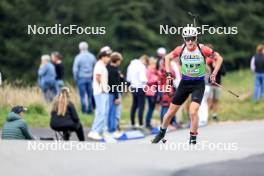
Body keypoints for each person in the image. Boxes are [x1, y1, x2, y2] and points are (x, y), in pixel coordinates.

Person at [152, 26, 223, 144]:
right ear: (184, 38)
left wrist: (214, 73)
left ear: (196, 38)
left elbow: (219, 58)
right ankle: (161, 132)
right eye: (187, 38)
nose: (190, 41)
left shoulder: (203, 49)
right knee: (170, 112)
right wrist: (168, 73)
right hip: (184, 83)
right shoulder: (180, 49)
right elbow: (167, 58)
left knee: (193, 111)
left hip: (198, 84)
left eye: (192, 38)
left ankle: (193, 139)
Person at [88, 50, 111, 140]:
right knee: (101, 113)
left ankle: (101, 131)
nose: (109, 59)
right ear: (103, 57)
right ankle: (94, 131)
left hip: (104, 91)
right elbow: (97, 77)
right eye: (108, 57)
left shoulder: (103, 65)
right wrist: (102, 88)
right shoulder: (99, 64)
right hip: (100, 92)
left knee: (104, 112)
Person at [73, 41, 96, 114]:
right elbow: (95, 67)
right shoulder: (92, 56)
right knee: (90, 95)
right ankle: (90, 110)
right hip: (90, 78)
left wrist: (76, 79)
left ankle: (84, 111)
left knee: (82, 96)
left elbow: (75, 70)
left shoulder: (78, 57)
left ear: (80, 48)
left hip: (81, 78)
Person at [126, 55, 149, 128]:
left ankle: (132, 123)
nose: (145, 64)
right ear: (144, 60)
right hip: (140, 88)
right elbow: (143, 79)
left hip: (133, 87)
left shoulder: (131, 65)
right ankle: (141, 124)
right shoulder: (142, 66)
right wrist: (146, 81)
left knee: (134, 105)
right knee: (141, 106)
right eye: (146, 63)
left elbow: (128, 78)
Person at [206, 44, 226, 120]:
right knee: (209, 100)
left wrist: (217, 68)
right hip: (209, 84)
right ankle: (206, 115)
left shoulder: (218, 61)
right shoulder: (206, 62)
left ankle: (214, 115)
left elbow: (224, 73)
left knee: (216, 100)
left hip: (217, 84)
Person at [107, 52, 123, 133]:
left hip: (111, 92)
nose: (120, 62)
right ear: (116, 60)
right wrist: (116, 97)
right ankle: (112, 130)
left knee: (111, 112)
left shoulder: (109, 67)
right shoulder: (113, 70)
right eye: (120, 61)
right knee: (112, 112)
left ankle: (112, 129)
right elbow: (114, 84)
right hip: (113, 93)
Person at [145, 57, 159, 129]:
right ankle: (147, 123)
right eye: (154, 63)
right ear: (151, 63)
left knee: (152, 108)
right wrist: (155, 79)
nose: (155, 65)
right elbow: (147, 81)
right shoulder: (148, 70)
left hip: (154, 91)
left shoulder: (154, 70)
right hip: (150, 92)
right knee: (150, 108)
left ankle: (149, 122)